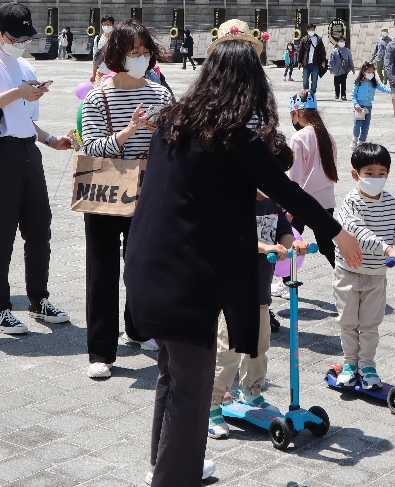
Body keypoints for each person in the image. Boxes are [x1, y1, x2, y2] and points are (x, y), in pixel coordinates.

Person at [122, 38, 362, 486]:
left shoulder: (175, 120)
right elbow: (286, 190)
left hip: (146, 261)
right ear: (252, 84)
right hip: (186, 273)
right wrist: (337, 232)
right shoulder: (233, 136)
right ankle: (174, 478)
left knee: (171, 375)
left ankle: (172, 463)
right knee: (190, 386)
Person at [0, 3, 75, 335]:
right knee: (2, 233)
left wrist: (51, 140)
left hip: (27, 151)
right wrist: (16, 93)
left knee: (39, 230)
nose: (21, 42)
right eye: (15, 36)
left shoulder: (23, 64)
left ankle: (38, 300)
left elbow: (25, 118)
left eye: (26, 36)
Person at [80, 20, 171, 378]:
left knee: (144, 265)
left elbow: (175, 142)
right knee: (102, 270)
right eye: (134, 53)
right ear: (117, 55)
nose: (141, 59)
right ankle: (101, 350)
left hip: (149, 191)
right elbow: (92, 147)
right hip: (107, 189)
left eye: (146, 52)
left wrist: (160, 140)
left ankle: (139, 328)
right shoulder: (98, 95)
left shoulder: (160, 94)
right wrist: (128, 132)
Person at [208, 184, 306, 439]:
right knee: (227, 349)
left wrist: (293, 244)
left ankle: (251, 391)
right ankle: (212, 402)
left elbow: (284, 231)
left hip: (260, 291)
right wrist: (266, 247)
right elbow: (235, 237)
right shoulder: (235, 199)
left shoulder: (272, 204)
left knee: (260, 346)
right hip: (232, 292)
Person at [333, 142, 395, 388]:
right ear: (356, 174)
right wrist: (387, 249)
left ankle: (368, 364)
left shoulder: (389, 200)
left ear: (388, 174)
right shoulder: (351, 202)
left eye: (381, 174)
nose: (375, 179)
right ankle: (350, 362)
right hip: (349, 271)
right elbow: (357, 233)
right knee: (349, 321)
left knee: (370, 324)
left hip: (376, 273)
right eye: (369, 173)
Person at [287, 92, 339, 270]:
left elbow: (294, 175)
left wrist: (289, 205)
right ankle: (348, 277)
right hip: (325, 199)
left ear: (298, 112)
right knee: (327, 245)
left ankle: (287, 281)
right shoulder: (327, 136)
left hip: (303, 201)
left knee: (291, 242)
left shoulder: (298, 138)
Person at [351, 61, 392, 147]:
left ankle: (362, 142)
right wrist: (356, 104)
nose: (371, 73)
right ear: (364, 72)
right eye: (368, 72)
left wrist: (393, 91)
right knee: (357, 125)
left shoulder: (374, 83)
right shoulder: (359, 83)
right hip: (359, 107)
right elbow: (353, 95)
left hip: (368, 107)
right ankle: (354, 139)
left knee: (365, 126)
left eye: (372, 72)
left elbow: (383, 88)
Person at [297, 23, 328, 94]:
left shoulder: (318, 39)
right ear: (307, 30)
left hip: (315, 63)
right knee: (305, 80)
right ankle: (305, 94)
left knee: (314, 81)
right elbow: (300, 51)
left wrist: (323, 61)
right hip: (306, 64)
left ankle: (312, 94)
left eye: (313, 29)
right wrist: (299, 61)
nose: (311, 31)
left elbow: (322, 51)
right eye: (310, 29)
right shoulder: (304, 40)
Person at [90, 15, 116, 83]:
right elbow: (95, 57)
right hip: (101, 72)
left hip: (115, 73)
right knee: (101, 92)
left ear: (113, 25)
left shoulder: (117, 38)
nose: (106, 26)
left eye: (108, 24)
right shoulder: (98, 39)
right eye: (104, 24)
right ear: (101, 25)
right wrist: (93, 74)